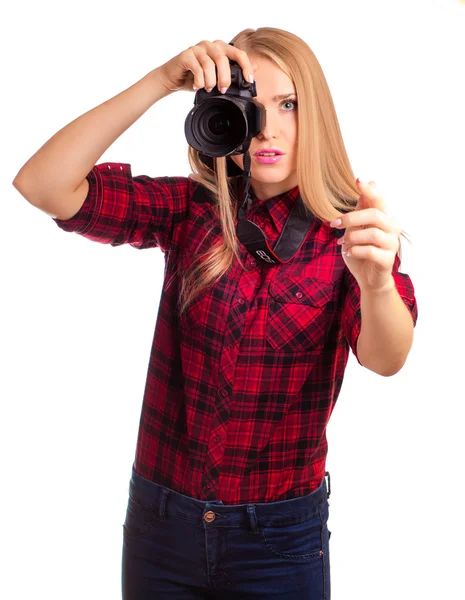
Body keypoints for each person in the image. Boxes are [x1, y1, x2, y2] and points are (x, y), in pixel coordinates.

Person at [12, 27, 418, 600]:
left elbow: (387, 357)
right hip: (162, 524)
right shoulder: (191, 212)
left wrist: (376, 283)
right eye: (249, 106)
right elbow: (42, 184)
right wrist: (159, 82)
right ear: (220, 113)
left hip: (279, 538)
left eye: (288, 104)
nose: (269, 128)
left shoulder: (350, 236)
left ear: (317, 116)